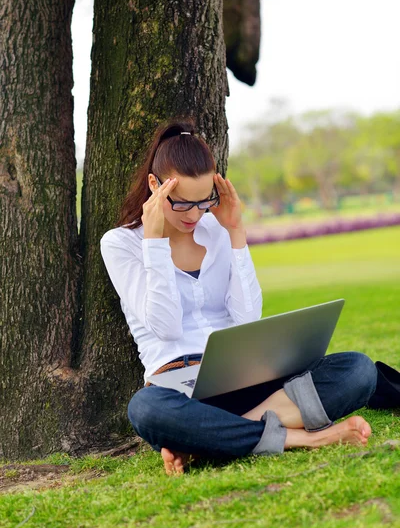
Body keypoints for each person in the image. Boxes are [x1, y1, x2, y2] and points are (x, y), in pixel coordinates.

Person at [100, 118, 378, 476]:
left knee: (358, 370)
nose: (196, 214)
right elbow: (165, 328)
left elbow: (247, 321)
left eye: (204, 201)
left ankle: (208, 441)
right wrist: (154, 243)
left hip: (247, 378)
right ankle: (303, 438)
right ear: (155, 186)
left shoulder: (217, 231)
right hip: (179, 389)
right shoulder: (122, 243)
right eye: (183, 203)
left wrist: (236, 232)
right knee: (146, 409)